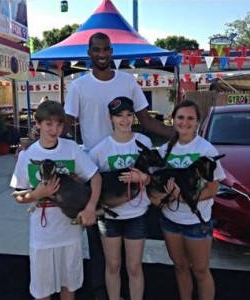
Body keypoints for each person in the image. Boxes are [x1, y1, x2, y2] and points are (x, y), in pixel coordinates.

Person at [63, 31, 173, 300]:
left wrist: (181, 135)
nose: (102, 54)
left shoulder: (127, 82)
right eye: (96, 50)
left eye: (106, 49)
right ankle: (103, 295)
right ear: (89, 54)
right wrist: (36, 144)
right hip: (96, 170)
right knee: (100, 247)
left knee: (132, 246)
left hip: (129, 167)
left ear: (112, 51)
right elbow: (66, 126)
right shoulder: (78, 86)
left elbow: (146, 122)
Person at [122, 100, 226, 300]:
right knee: (180, 268)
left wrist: (181, 197)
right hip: (170, 221)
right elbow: (151, 180)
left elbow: (213, 189)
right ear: (173, 120)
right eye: (180, 117)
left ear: (197, 122)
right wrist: (154, 195)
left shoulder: (206, 150)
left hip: (197, 222)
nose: (184, 123)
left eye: (190, 118)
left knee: (201, 272)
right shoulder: (164, 151)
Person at [10, 100, 101, 300]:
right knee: (42, 290)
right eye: (49, 124)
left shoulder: (71, 149)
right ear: (38, 124)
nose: (54, 129)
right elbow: (18, 196)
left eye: (59, 124)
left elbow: (95, 177)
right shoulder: (28, 156)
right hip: (42, 236)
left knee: (70, 285)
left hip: (70, 233)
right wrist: (36, 194)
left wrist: (90, 207)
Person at [89, 97, 152, 300]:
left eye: (129, 115)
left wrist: (143, 178)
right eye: (119, 116)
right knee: (113, 266)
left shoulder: (144, 142)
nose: (125, 120)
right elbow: (89, 180)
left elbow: (155, 177)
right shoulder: (99, 150)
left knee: (134, 267)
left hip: (137, 215)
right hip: (109, 218)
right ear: (111, 118)